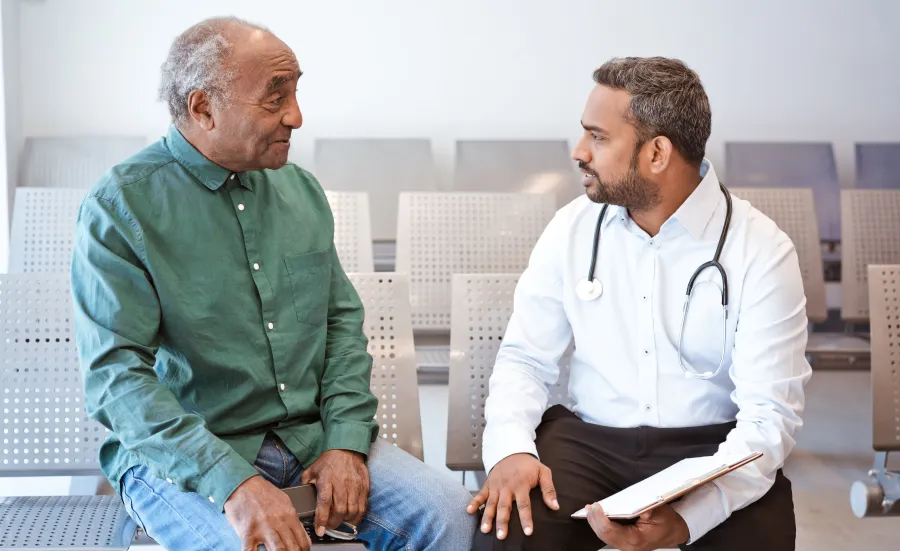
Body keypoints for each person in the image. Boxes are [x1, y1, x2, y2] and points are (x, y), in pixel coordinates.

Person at [71, 16, 474, 551]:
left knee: (450, 519)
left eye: (296, 91)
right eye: (274, 97)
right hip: (187, 456)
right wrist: (232, 480)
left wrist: (347, 444)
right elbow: (116, 378)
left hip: (311, 440)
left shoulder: (300, 190)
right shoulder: (121, 207)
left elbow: (340, 325)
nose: (297, 116)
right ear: (202, 108)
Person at [469, 57, 811, 551]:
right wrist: (511, 451)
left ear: (657, 154)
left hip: (715, 450)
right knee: (510, 533)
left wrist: (691, 517)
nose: (578, 151)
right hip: (588, 443)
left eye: (599, 137)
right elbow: (525, 360)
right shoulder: (572, 228)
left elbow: (769, 417)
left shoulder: (761, 249)